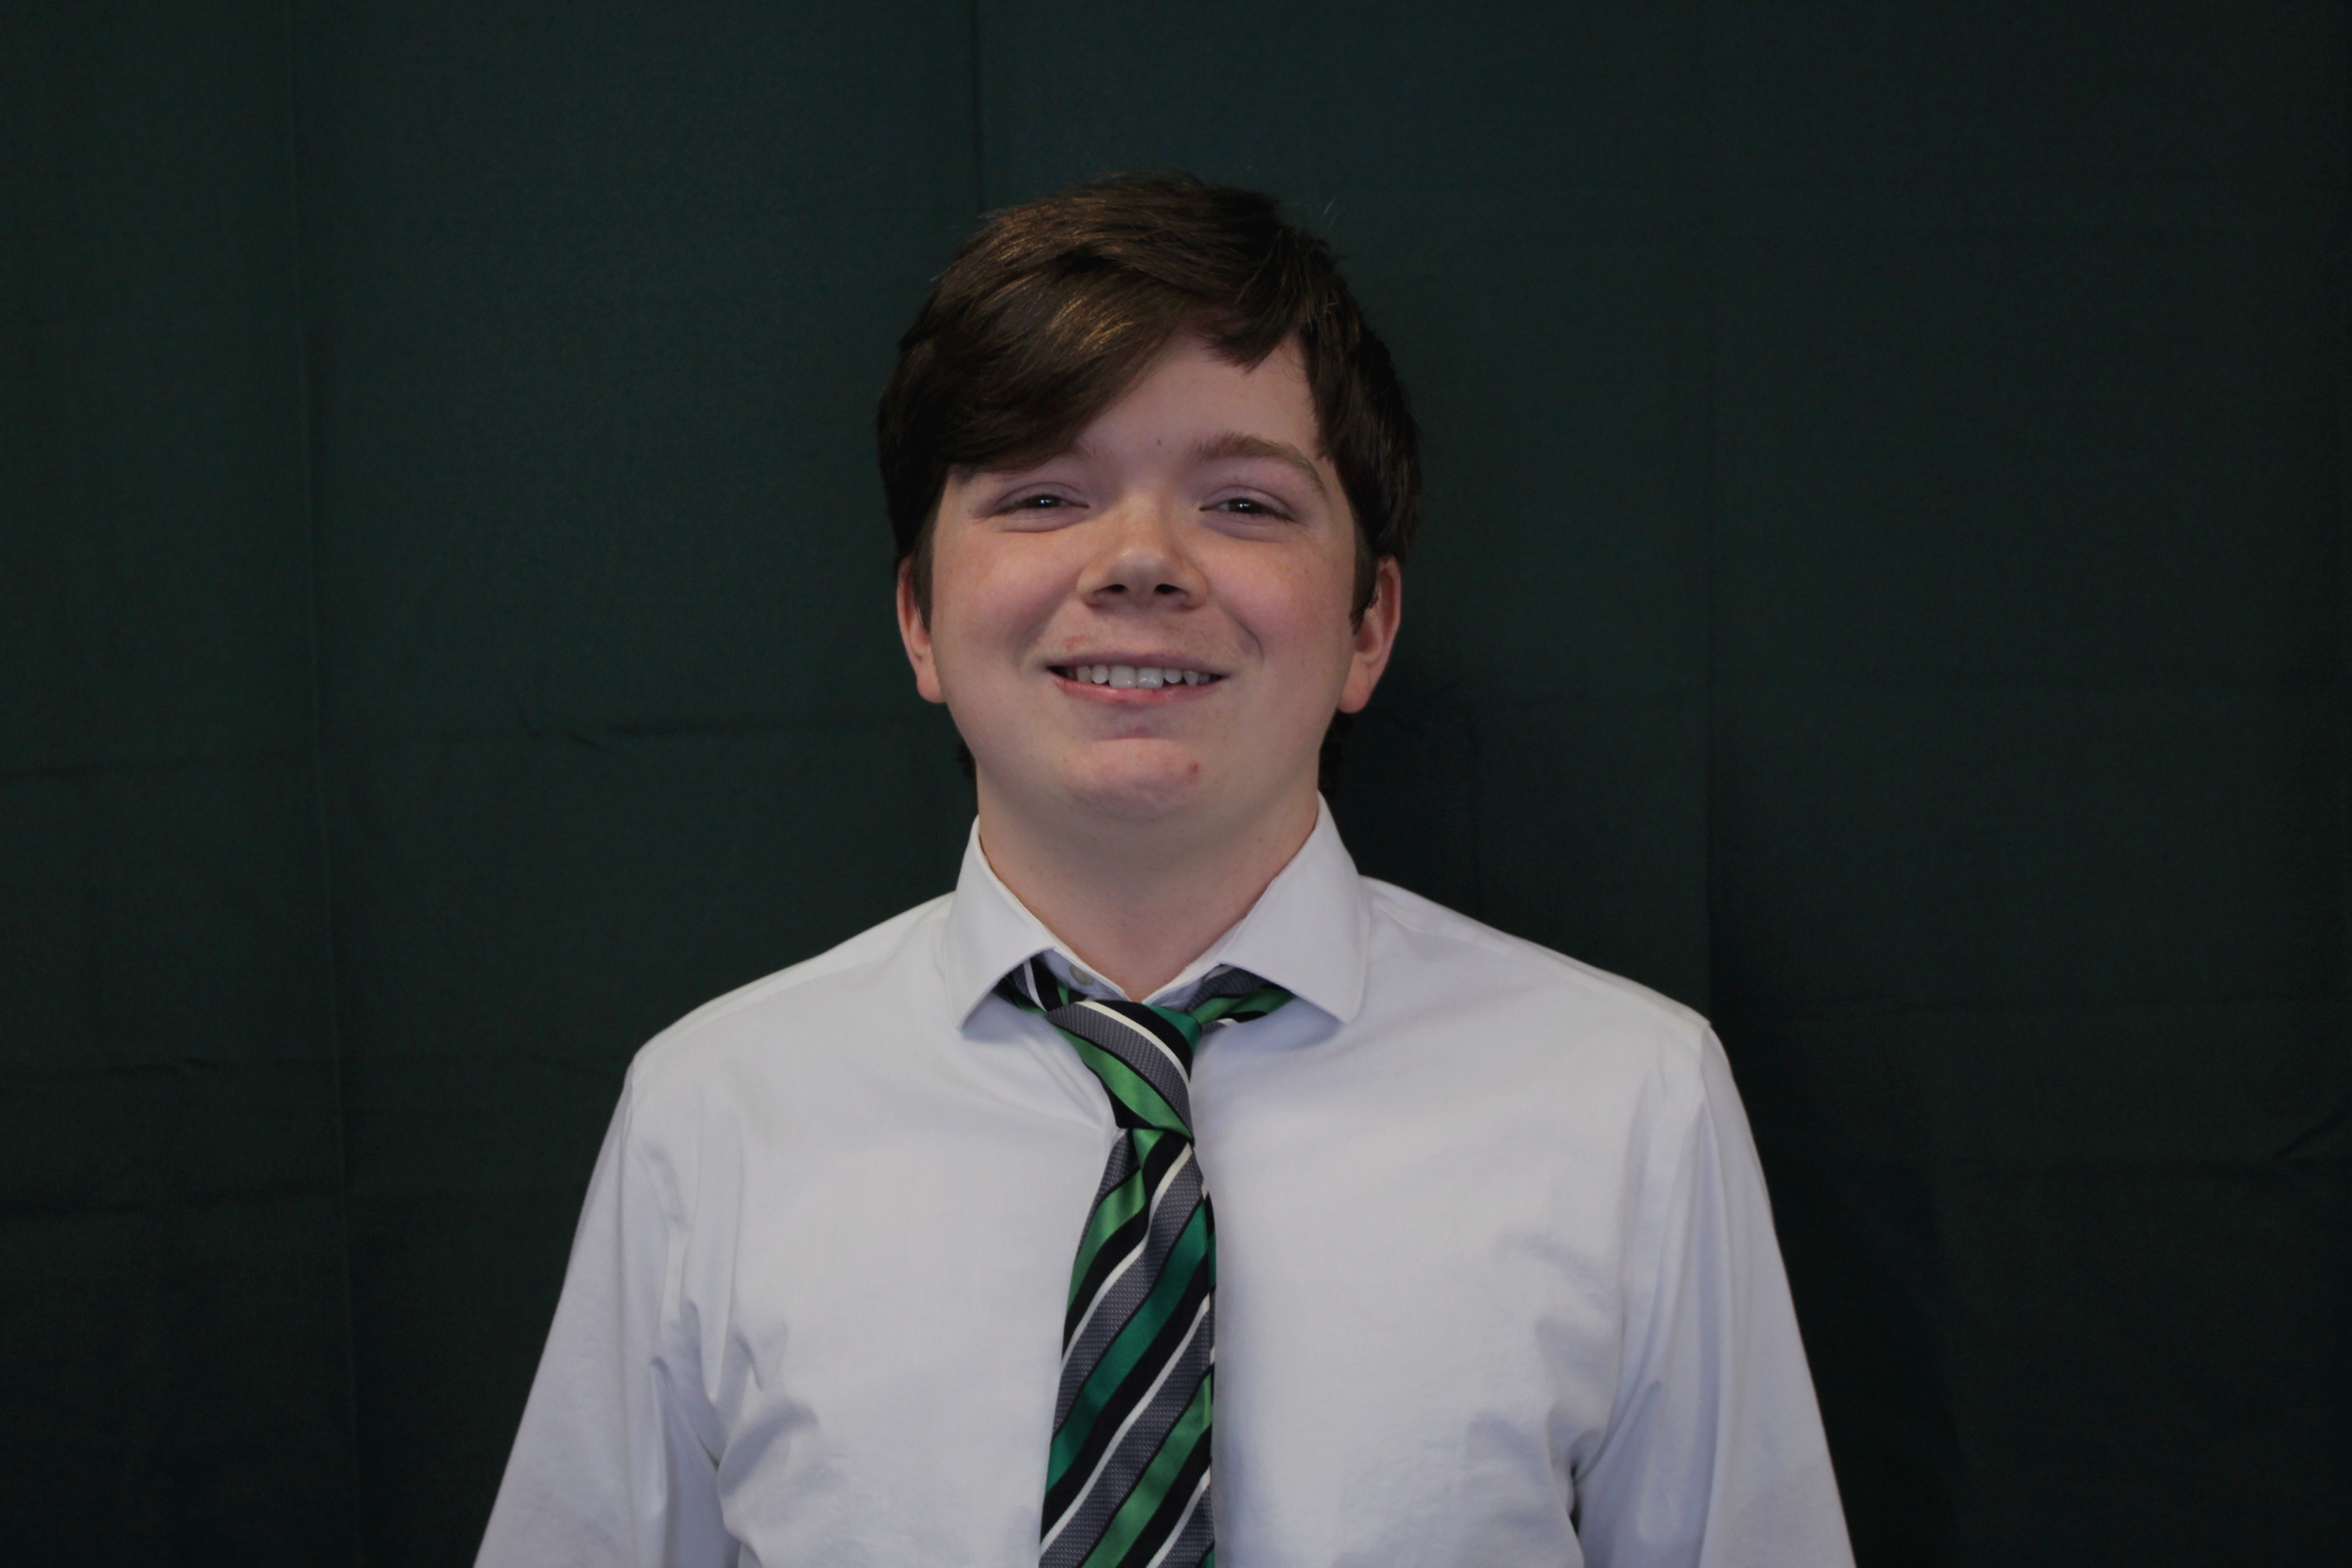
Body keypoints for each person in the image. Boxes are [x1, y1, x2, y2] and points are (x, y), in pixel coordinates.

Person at [477, 173, 1853, 1568]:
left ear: (1370, 624)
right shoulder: (713, 1117)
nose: (1140, 561)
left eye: (1244, 501)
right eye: (1043, 495)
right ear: (920, 619)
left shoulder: (1630, 1106)